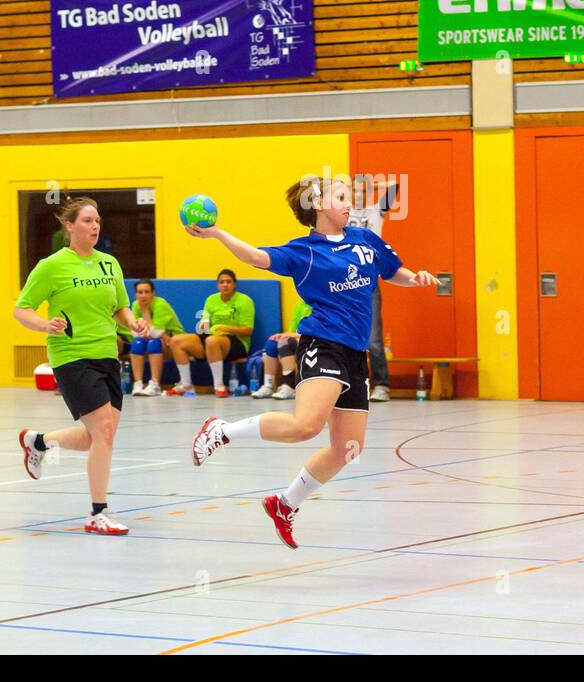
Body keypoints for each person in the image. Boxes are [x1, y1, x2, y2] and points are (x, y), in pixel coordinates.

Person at [186, 173, 438, 549]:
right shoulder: (302, 252)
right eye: (341, 196)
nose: (349, 203)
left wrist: (413, 277)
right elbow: (256, 256)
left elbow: (392, 272)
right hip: (324, 344)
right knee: (305, 426)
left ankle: (285, 504)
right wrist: (218, 233)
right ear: (318, 206)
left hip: (356, 354)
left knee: (347, 450)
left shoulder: (365, 239)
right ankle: (220, 430)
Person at [13, 197, 151, 535]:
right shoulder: (52, 266)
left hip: (106, 354)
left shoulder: (109, 265)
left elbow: (120, 306)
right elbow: (22, 308)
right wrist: (45, 325)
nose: (95, 227)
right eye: (88, 221)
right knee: (103, 431)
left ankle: (39, 442)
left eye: (98, 221)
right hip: (71, 356)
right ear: (70, 226)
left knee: (98, 437)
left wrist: (132, 322)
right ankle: (98, 512)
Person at [349, 174, 399, 402]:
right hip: (346, 280)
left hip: (369, 280)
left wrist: (372, 185)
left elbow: (395, 186)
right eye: (355, 190)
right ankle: (352, 383)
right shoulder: (344, 213)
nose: (359, 194)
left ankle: (381, 385)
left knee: (374, 338)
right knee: (348, 335)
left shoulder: (375, 211)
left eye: (363, 191)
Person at [167, 269, 255, 397]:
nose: (225, 285)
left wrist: (225, 328)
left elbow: (248, 330)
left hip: (237, 342)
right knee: (176, 340)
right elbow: (205, 320)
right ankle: (186, 384)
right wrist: (204, 325)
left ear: (234, 284)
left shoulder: (245, 301)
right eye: (222, 282)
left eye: (228, 282)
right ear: (218, 285)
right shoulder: (211, 300)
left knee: (212, 341)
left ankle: (219, 385)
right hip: (211, 338)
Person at [127, 278, 185, 396]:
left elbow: (155, 333)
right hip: (156, 339)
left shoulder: (160, 304)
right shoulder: (135, 305)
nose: (143, 295)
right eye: (140, 292)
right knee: (137, 343)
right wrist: (156, 334)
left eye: (147, 292)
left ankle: (155, 384)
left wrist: (145, 313)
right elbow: (135, 333)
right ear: (135, 294)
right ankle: (138, 384)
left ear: (153, 293)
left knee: (154, 342)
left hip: (174, 342)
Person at [252, 296, 312, 400]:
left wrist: (293, 336)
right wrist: (282, 334)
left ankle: (290, 386)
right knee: (272, 342)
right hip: (299, 338)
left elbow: (317, 332)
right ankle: (268, 386)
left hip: (315, 340)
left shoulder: (321, 304)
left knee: (284, 343)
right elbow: (292, 330)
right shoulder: (300, 305)